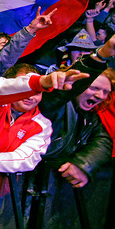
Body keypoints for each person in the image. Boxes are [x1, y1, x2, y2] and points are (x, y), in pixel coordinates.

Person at [37, 34, 115, 188]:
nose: (100, 96)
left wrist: (83, 164)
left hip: (46, 193)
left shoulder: (89, 116)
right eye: (94, 88)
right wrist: (103, 53)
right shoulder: (56, 104)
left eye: (106, 91)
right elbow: (61, 94)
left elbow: (103, 141)